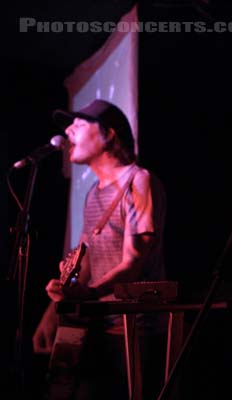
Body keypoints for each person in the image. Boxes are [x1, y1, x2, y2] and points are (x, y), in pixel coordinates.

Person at [32, 99, 167, 400]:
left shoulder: (138, 180)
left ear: (109, 134)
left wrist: (89, 295)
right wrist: (53, 311)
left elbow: (133, 263)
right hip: (97, 324)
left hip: (133, 328)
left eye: (79, 124)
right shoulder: (93, 192)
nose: (68, 131)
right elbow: (85, 258)